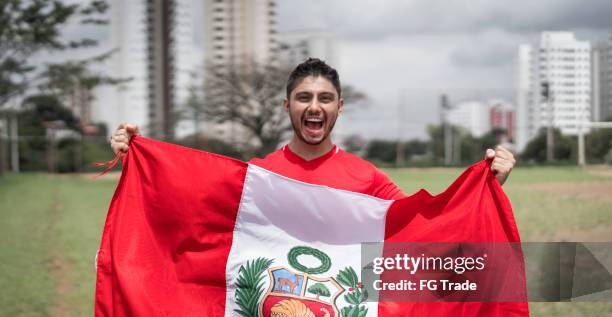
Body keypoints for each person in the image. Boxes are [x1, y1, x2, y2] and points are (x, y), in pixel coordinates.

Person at [110, 58, 516, 198]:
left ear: (340, 107)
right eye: (304, 98)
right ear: (287, 106)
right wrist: (136, 160)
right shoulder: (259, 175)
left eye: (325, 99)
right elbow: (190, 204)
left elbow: (424, 227)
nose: (314, 106)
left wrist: (487, 185)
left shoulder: (367, 178)